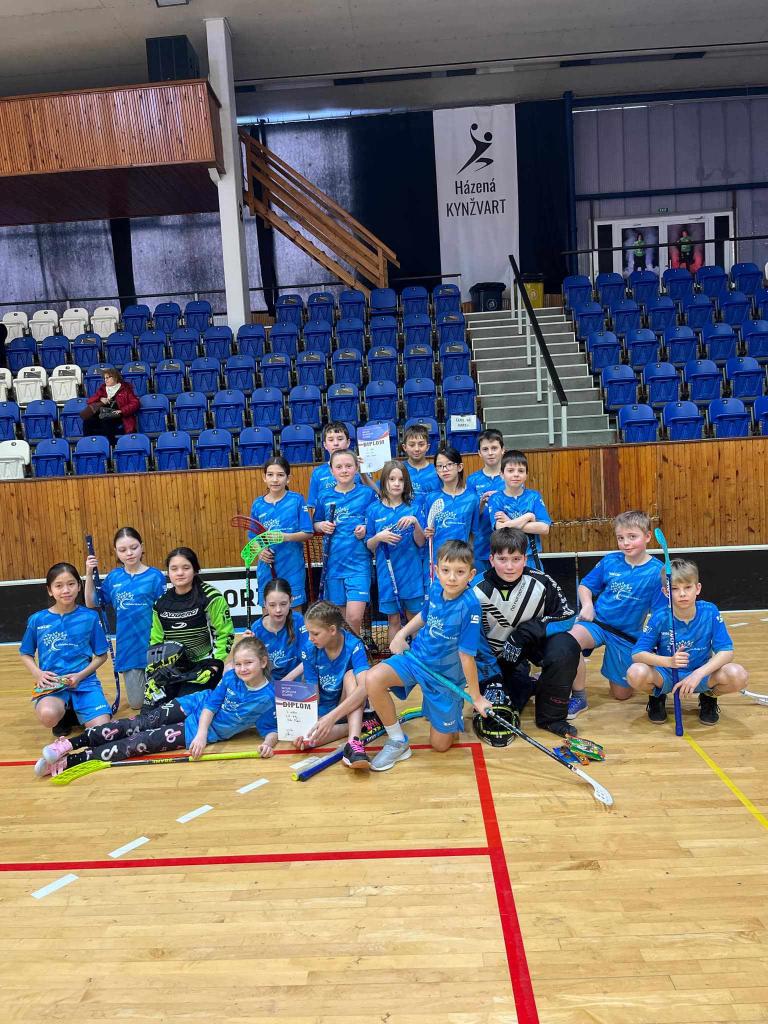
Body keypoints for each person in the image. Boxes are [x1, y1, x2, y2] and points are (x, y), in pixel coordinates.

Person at [35, 635, 279, 777]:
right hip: (193, 707)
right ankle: (68, 745)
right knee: (135, 724)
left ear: (263, 662)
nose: (242, 669)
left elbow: (271, 728)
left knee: (138, 743)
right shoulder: (231, 677)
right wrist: (202, 735)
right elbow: (211, 705)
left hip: (192, 730)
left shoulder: (268, 696)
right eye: (238, 663)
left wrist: (268, 745)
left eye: (248, 663)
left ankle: (71, 762)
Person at [363, 539, 491, 772]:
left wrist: (476, 697)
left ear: (471, 575)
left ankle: (445, 713)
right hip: (417, 660)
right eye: (446, 570)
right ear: (436, 570)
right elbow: (424, 615)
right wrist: (401, 634)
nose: (451, 578)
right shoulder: (435, 588)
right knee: (373, 678)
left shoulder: (470, 606)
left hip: (445, 678)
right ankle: (397, 741)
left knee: (440, 746)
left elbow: (466, 657)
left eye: (460, 572)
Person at [473, 528, 579, 736]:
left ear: (525, 558)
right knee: (505, 709)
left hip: (528, 647)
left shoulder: (542, 581)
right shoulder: (475, 588)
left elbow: (567, 616)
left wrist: (524, 634)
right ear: (491, 559)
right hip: (493, 658)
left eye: (516, 559)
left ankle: (552, 718)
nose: (509, 566)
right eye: (502, 559)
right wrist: (490, 677)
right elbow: (470, 637)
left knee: (566, 647)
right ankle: (528, 684)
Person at [566, 510, 666, 720]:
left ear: (647, 536)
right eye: (621, 538)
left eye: (632, 537)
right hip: (597, 624)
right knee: (569, 641)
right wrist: (587, 605)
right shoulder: (610, 561)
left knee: (621, 695)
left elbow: (660, 614)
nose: (626, 543)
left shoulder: (658, 572)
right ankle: (578, 696)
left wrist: (653, 642)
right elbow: (585, 585)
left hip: (626, 636)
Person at [628, 558, 748, 726]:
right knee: (635, 673)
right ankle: (657, 697)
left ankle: (708, 697)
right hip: (667, 675)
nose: (682, 594)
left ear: (697, 588)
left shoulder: (710, 612)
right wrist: (668, 661)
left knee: (738, 675)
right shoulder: (660, 616)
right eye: (675, 589)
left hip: (701, 674)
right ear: (665, 592)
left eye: (687, 587)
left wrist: (699, 674)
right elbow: (637, 654)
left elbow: (726, 651)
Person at [20, 562, 111, 737]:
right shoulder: (37, 620)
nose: (66, 590)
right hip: (52, 684)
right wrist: (38, 674)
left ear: (79, 586)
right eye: (59, 586)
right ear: (50, 590)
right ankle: (65, 714)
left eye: (71, 584)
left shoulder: (90, 617)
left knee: (101, 731)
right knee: (48, 716)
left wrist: (79, 676)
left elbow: (101, 656)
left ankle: (76, 710)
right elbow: (25, 653)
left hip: (84, 682)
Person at [84, 526, 166, 710]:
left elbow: (164, 611)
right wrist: (89, 574)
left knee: (158, 701)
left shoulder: (155, 576)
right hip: (129, 648)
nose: (129, 553)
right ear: (116, 551)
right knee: (137, 703)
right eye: (122, 550)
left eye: (134, 547)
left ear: (142, 546)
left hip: (154, 645)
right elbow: (91, 602)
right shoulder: (114, 578)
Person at [143, 547, 235, 705]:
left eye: (186, 568)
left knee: (184, 708)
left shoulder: (211, 598)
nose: (180, 573)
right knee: (153, 709)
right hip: (172, 668)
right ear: (168, 572)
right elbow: (156, 640)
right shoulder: (161, 603)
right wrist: (154, 669)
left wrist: (214, 665)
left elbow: (224, 635)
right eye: (174, 569)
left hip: (204, 667)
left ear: (195, 570)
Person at [282, 601, 369, 768]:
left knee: (351, 676)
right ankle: (354, 727)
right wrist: (308, 723)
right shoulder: (309, 649)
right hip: (326, 710)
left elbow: (364, 689)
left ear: (332, 630)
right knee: (305, 741)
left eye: (315, 633)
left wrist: (331, 718)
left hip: (349, 706)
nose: (310, 638)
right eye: (308, 632)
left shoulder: (354, 645)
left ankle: (353, 743)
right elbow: (312, 692)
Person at [312, 449, 377, 635]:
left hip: (359, 564)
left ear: (356, 468)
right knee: (339, 620)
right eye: (339, 467)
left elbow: (376, 521)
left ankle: (354, 650)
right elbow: (315, 523)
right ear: (331, 470)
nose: (344, 470)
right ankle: (346, 652)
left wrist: (366, 528)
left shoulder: (367, 494)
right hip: (333, 565)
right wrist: (322, 525)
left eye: (349, 466)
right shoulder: (324, 496)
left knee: (354, 618)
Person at [365, 459, 426, 642]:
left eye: (401, 480)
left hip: (412, 574)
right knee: (393, 620)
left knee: (414, 619)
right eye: (392, 479)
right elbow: (369, 545)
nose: (396, 483)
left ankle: (417, 658)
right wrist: (379, 537)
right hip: (387, 575)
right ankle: (396, 658)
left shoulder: (413, 508)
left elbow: (421, 542)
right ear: (384, 481)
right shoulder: (373, 510)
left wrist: (415, 523)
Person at [248, 456, 313, 608]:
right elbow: (253, 537)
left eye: (280, 475)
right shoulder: (257, 505)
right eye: (270, 475)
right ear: (264, 477)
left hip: (293, 567)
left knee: (294, 614)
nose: (275, 479)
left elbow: (308, 533)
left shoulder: (297, 500)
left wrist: (285, 537)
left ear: (288, 478)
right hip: (267, 569)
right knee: (268, 614)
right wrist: (260, 551)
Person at [487, 450, 551, 569]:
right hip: (506, 559)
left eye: (521, 471)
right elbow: (500, 528)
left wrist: (509, 522)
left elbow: (544, 528)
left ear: (526, 475)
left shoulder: (534, 496)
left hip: (531, 557)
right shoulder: (495, 499)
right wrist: (528, 517)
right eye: (510, 470)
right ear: (502, 474)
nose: (516, 474)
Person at [423, 446, 479, 581]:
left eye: (449, 464)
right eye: (440, 466)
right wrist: (427, 532)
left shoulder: (472, 498)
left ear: (459, 467)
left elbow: (473, 533)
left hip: (462, 560)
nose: (444, 469)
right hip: (438, 561)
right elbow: (426, 531)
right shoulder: (431, 498)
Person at [466, 428, 505, 572]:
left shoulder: (511, 477)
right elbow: (470, 515)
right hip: (481, 545)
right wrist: (481, 504)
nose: (490, 452)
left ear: (502, 450)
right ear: (479, 453)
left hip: (506, 545)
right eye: (485, 449)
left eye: (494, 448)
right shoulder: (472, 480)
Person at [252, 577, 305, 676]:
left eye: (283, 604)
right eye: (272, 605)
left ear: (291, 601)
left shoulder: (299, 621)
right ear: (265, 604)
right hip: (268, 682)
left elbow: (309, 656)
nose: (278, 610)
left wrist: (287, 680)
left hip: (295, 680)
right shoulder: (256, 629)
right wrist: (246, 646)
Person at [307, 422, 358, 515]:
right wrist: (320, 522)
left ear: (348, 442)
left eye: (340, 439)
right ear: (325, 445)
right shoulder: (318, 473)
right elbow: (315, 507)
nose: (336, 443)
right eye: (331, 440)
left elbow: (372, 497)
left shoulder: (359, 469)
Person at [82, 367, 140, 444]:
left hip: (119, 415)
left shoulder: (125, 389)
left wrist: (122, 411)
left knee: (106, 419)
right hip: (103, 413)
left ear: (115, 377)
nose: (105, 380)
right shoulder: (103, 389)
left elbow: (135, 403)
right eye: (104, 378)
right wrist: (100, 399)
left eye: (108, 377)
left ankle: (112, 444)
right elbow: (89, 401)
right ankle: (88, 443)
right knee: (87, 421)